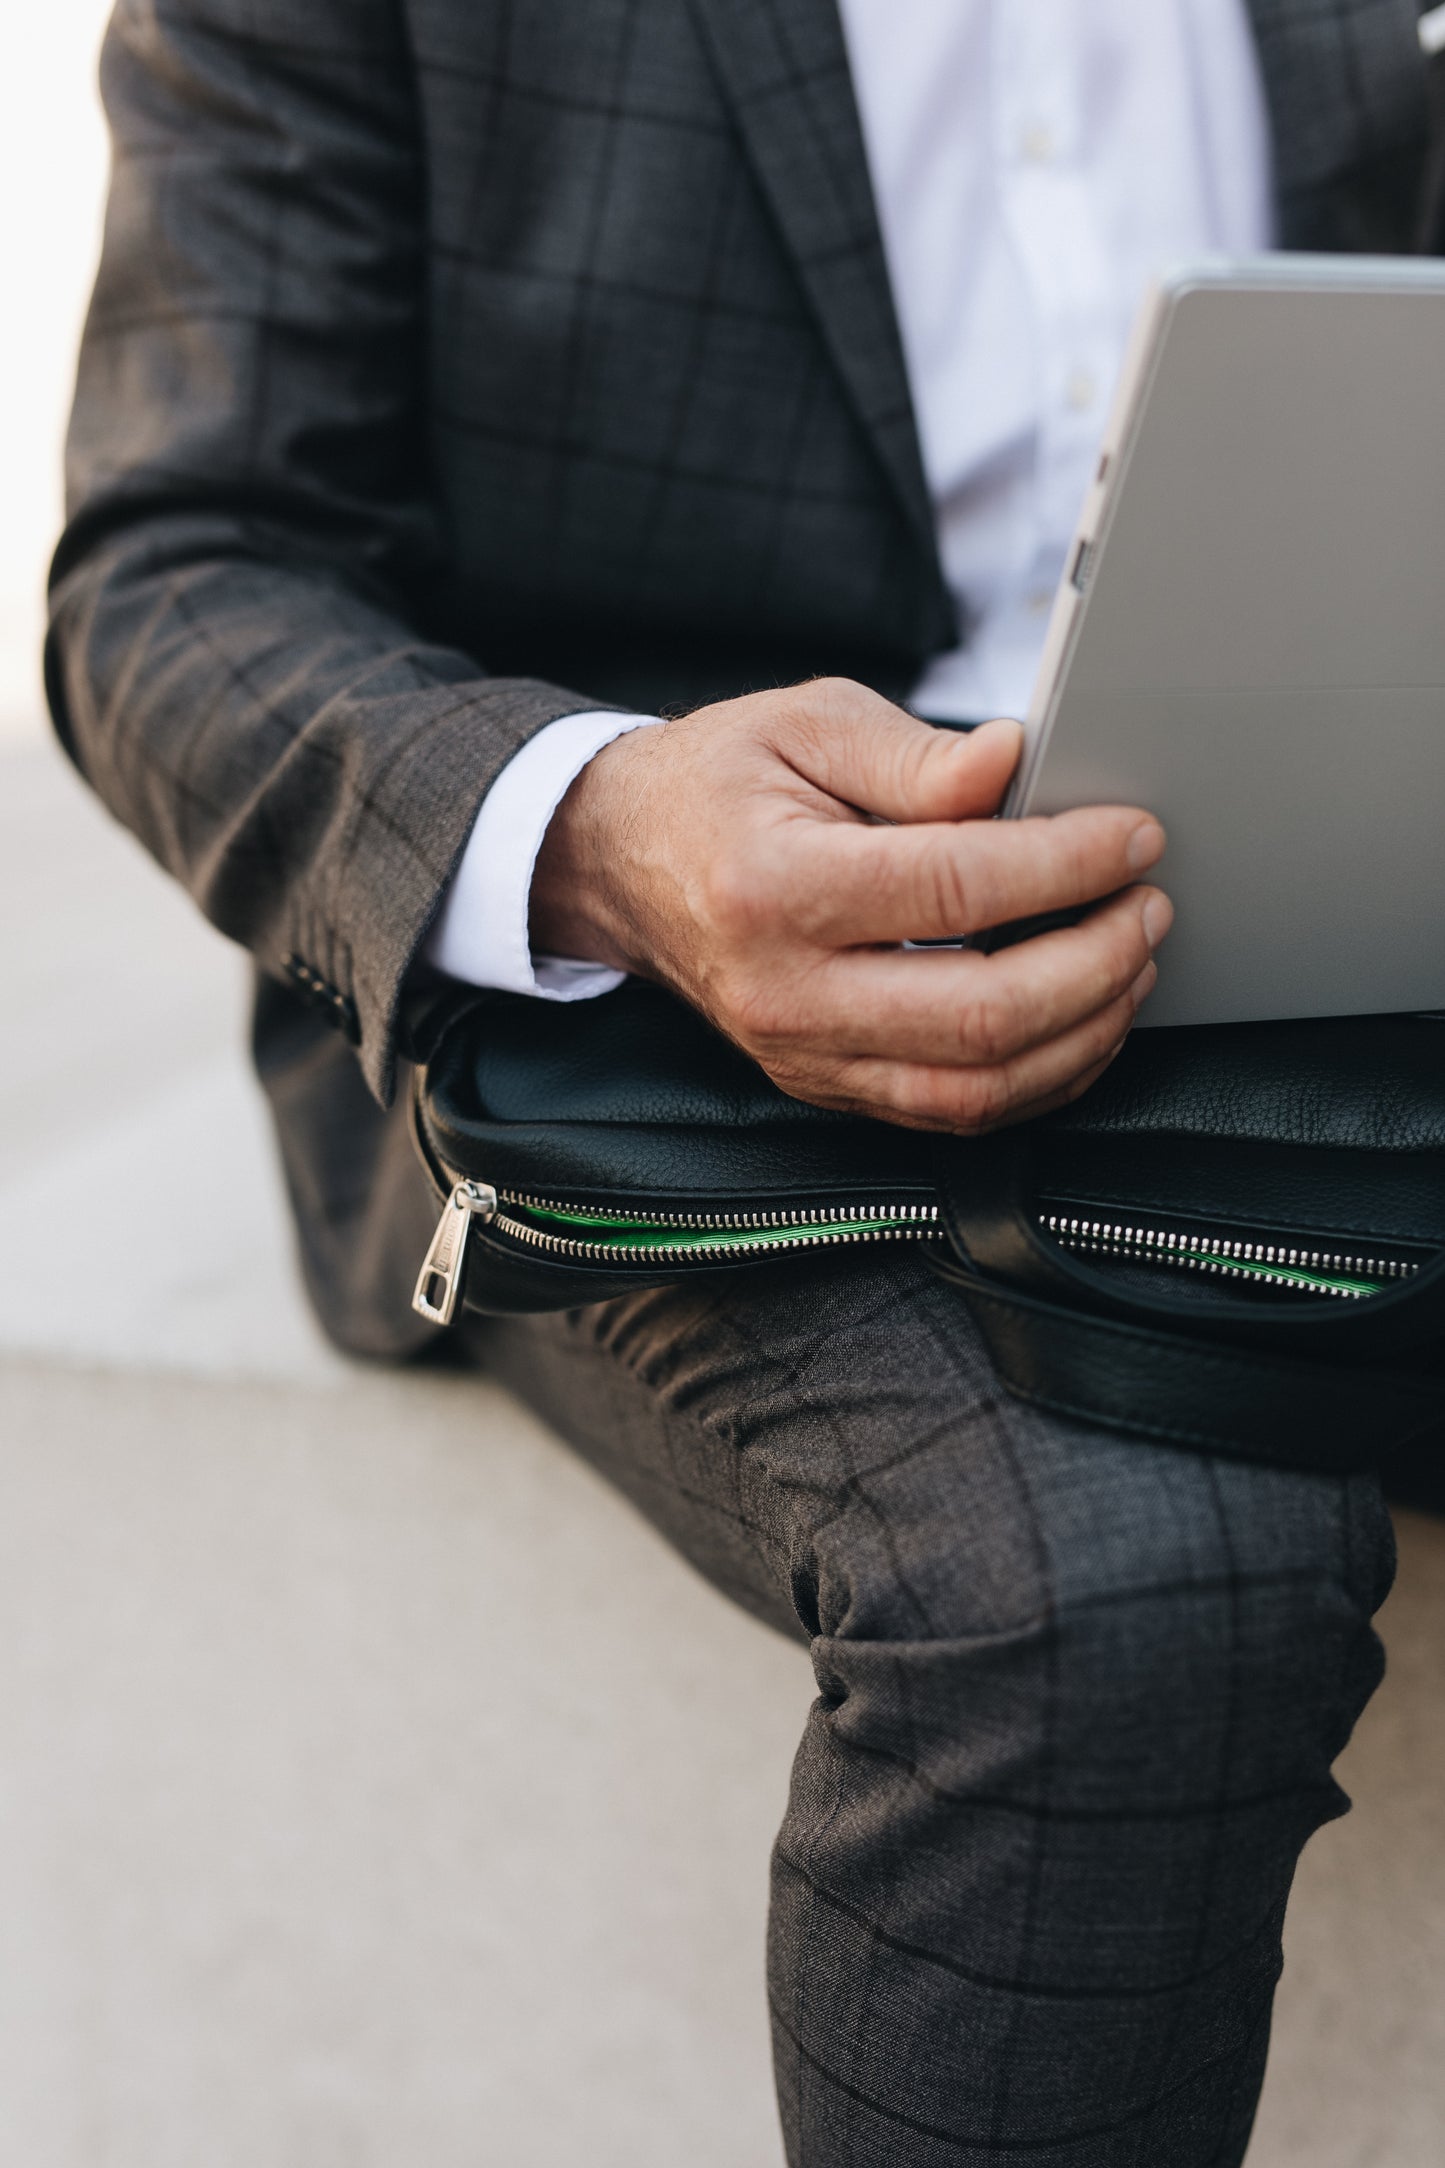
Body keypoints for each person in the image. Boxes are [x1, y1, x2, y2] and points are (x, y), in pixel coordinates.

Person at [47, 3, 1435, 2160]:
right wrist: (601, 835)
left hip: (1344, 927)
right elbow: (175, 575)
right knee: (1126, 1568)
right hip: (630, 1014)